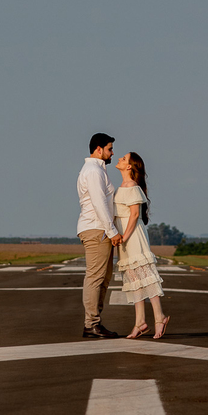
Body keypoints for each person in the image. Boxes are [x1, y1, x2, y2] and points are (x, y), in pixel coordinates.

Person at [113, 152, 170, 339]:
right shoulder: (122, 186)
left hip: (133, 235)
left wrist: (124, 236)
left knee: (145, 275)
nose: (119, 159)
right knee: (133, 278)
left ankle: (159, 317)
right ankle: (140, 322)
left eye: (123, 158)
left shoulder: (132, 186)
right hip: (125, 237)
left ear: (129, 166)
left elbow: (135, 214)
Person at [76, 133, 122, 339]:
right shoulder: (94, 171)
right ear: (98, 149)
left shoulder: (97, 170)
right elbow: (99, 204)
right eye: (110, 149)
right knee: (95, 277)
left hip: (99, 228)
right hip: (97, 229)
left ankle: (95, 322)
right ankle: (91, 324)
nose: (112, 153)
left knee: (103, 278)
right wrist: (112, 231)